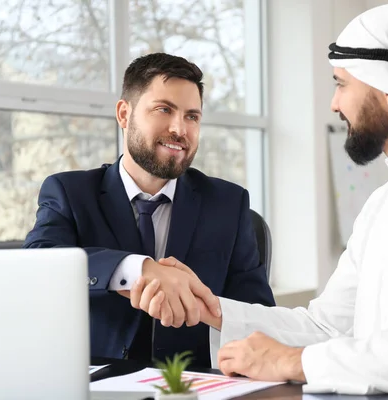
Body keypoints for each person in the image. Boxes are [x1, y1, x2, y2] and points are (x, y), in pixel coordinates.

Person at [127, 4, 388, 399]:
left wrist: (291, 361)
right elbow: (328, 325)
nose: (335, 103)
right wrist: (214, 308)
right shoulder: (386, 199)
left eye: (342, 84)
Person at [24, 52, 275, 368]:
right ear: (124, 114)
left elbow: (259, 315)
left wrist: (208, 308)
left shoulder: (228, 203)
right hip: (94, 386)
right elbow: (38, 264)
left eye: (192, 116)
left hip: (192, 385)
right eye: (164, 109)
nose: (179, 129)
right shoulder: (70, 193)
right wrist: (134, 270)